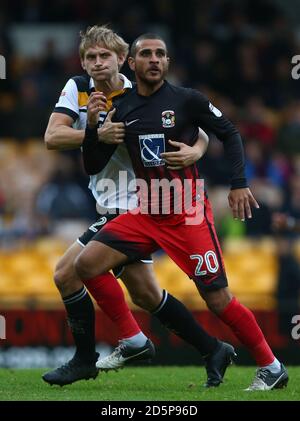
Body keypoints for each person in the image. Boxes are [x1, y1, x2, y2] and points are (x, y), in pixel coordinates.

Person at [78, 33, 289, 391]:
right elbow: (92, 164)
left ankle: (271, 366)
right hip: (146, 211)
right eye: (146, 54)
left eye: (161, 54)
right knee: (86, 265)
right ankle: (133, 340)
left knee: (218, 299)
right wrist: (94, 130)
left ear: (168, 62)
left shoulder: (188, 100)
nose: (154, 59)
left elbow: (230, 133)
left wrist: (239, 183)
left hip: (186, 213)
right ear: (133, 63)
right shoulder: (122, 106)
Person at [42, 26, 235, 387]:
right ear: (83, 62)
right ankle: (212, 349)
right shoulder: (78, 88)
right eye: (90, 58)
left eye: (105, 56)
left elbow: (199, 124)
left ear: (122, 60)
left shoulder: (140, 90)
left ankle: (96, 355)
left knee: (67, 273)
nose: (97, 64)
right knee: (146, 294)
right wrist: (94, 133)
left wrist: (197, 150)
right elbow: (52, 137)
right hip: (107, 201)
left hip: (139, 203)